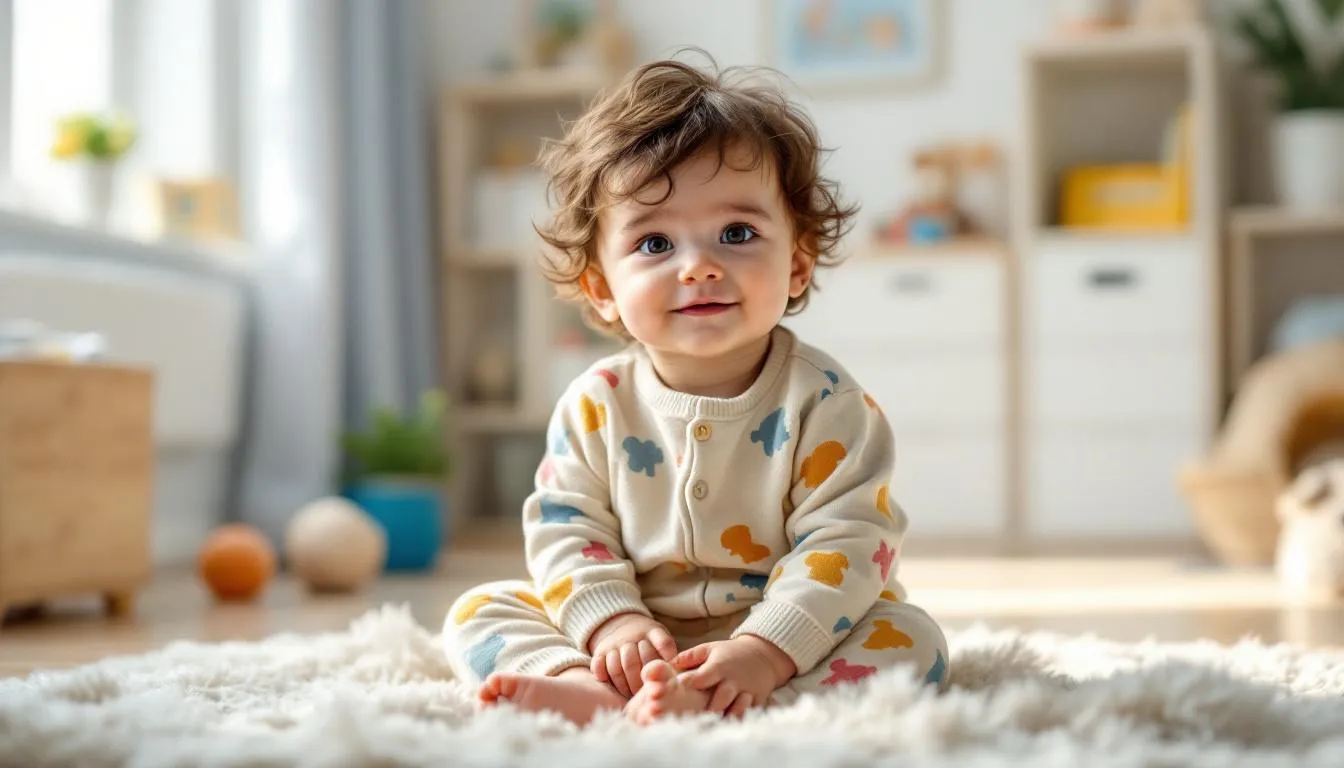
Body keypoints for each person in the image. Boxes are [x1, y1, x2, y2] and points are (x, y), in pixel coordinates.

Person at [442, 53, 949, 727]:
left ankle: (752, 699)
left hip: (788, 635)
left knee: (915, 641)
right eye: (654, 244)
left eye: (736, 234)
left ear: (796, 265)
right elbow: (568, 529)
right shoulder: (595, 403)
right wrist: (610, 628)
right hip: (633, 637)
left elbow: (850, 541)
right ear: (601, 288)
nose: (700, 266)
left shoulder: (829, 405)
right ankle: (588, 689)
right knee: (478, 611)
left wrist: (763, 652)